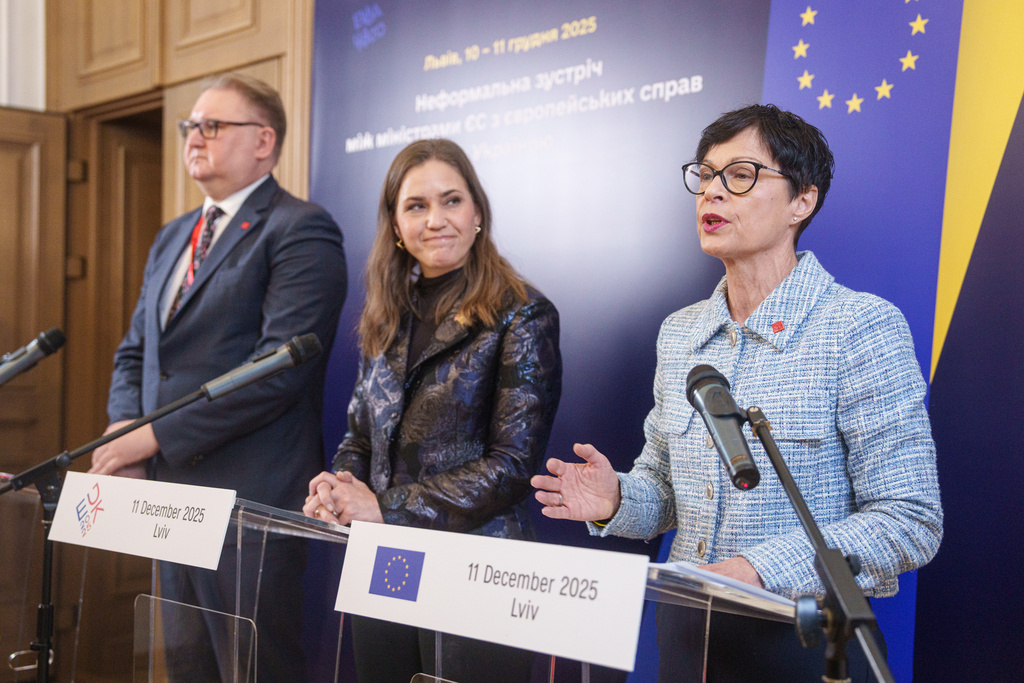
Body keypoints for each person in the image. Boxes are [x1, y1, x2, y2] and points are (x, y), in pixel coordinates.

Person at [532, 104, 943, 682]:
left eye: (741, 175)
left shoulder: (860, 327)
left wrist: (757, 568)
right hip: (685, 632)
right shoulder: (680, 334)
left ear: (803, 200)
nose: (712, 194)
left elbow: (910, 519)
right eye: (705, 176)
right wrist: (618, 500)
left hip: (800, 638)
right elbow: (665, 491)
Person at [89, 73, 347, 682]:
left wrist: (150, 437)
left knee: (253, 670)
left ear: (263, 141)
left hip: (249, 501)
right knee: (186, 667)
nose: (194, 137)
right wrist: (123, 426)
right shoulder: (174, 235)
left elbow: (273, 373)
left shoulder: (300, 229)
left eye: (213, 125)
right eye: (190, 126)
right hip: (169, 498)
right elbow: (138, 352)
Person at [304, 138, 561, 683]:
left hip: (481, 571)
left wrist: (383, 508)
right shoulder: (384, 316)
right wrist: (338, 488)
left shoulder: (524, 314)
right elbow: (360, 434)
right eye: (416, 206)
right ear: (396, 227)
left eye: (451, 201)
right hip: (384, 565)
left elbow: (512, 465)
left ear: (477, 214)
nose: (436, 219)